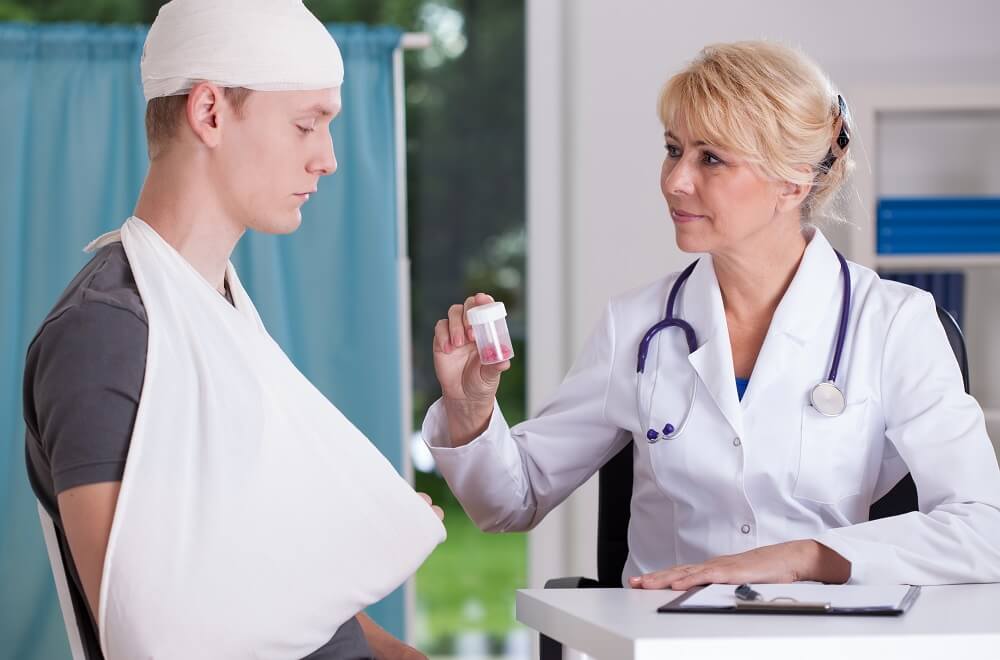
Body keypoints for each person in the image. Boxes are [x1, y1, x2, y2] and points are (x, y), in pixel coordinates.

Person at [422, 41, 1000, 589]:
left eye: (712, 159)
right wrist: (470, 407)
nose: (675, 180)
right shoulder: (638, 325)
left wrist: (805, 557)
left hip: (821, 634)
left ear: (793, 182)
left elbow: (984, 528)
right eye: (674, 149)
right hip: (665, 633)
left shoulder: (895, 323)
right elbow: (508, 503)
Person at [23, 1, 444, 658]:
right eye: (307, 124)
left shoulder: (219, 317)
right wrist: (363, 551)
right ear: (210, 113)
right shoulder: (107, 335)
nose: (328, 159)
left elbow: (321, 619)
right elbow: (149, 635)